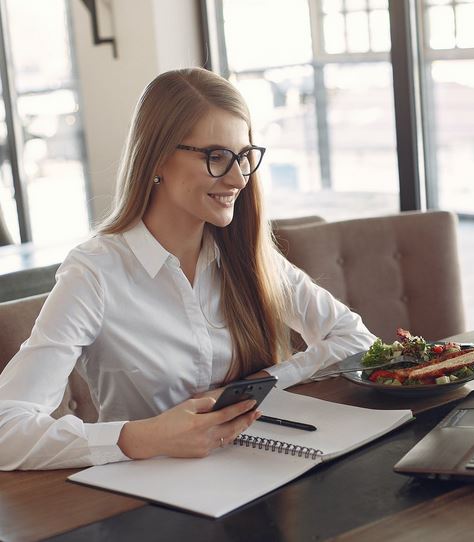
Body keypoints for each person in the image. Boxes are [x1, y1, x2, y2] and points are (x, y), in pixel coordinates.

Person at [0, 68, 375, 470]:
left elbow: (355, 340)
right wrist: (148, 436)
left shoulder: (245, 254)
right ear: (157, 156)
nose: (237, 178)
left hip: (255, 471)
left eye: (244, 157)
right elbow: (7, 429)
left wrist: (253, 386)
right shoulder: (94, 272)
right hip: (145, 492)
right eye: (216, 157)